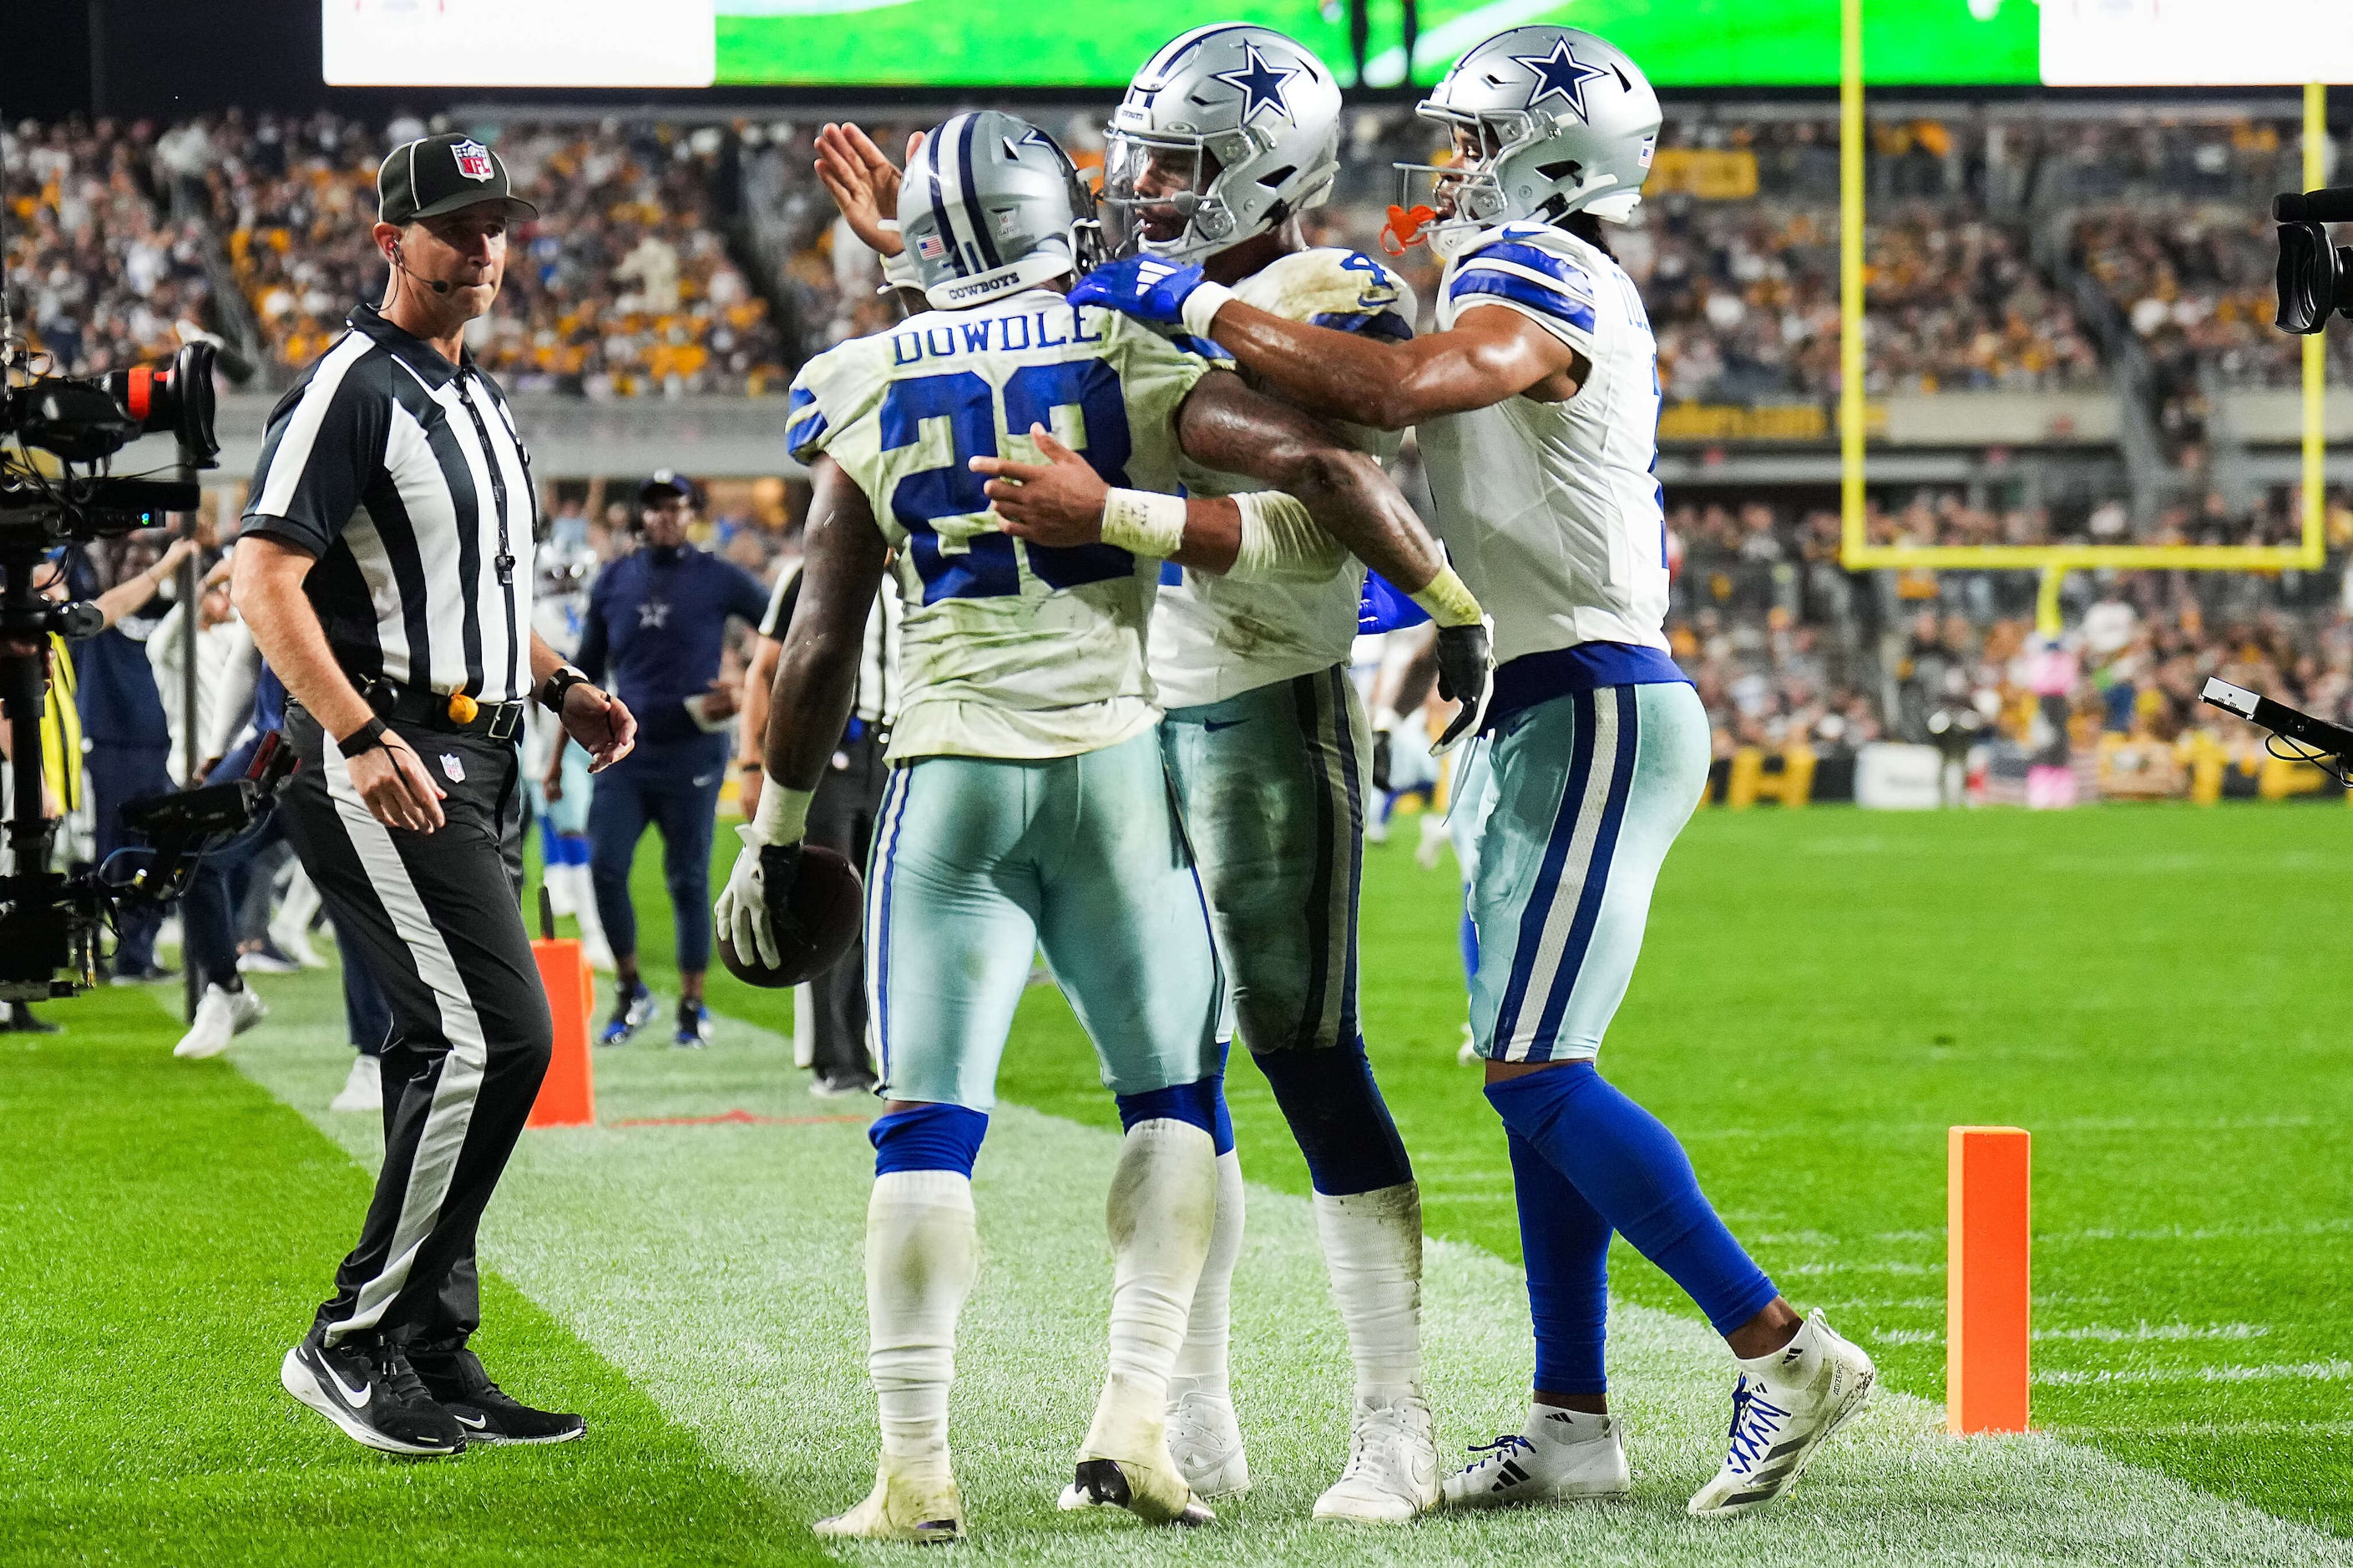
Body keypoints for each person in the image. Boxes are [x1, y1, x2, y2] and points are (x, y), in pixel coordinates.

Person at [1072, 25, 1875, 1519]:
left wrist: (1186, 298)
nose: (1439, 166)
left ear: (1542, 155)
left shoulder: (1545, 274)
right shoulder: (1498, 263)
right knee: (1524, 1077)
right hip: (1531, 693)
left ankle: (1784, 1349)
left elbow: (1398, 390)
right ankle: (1570, 1420)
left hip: (1593, 690)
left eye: (1464, 139)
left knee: (1535, 1072)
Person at [716, 112, 1483, 1543]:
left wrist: (773, 829)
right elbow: (1323, 475)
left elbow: (818, 641)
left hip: (950, 781)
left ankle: (916, 1471)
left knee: (926, 1126)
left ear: (924, 249)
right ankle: (1137, 1423)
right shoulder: (1122, 349)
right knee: (1174, 1102)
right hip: (1118, 770)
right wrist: (1446, 607)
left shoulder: (860, 378)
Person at [231, 133, 637, 1459]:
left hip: (480, 747)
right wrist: (354, 733)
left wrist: (564, 678)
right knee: (499, 1038)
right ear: (389, 240)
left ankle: (425, 1340)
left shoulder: (474, 392)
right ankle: (350, 1336)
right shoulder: (351, 386)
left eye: (497, 225)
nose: (481, 247)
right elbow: (263, 581)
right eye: (453, 226)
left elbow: (483, 600)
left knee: (436, 1049)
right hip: (390, 755)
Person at [563, 471, 769, 1048]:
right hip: (623, 750)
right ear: (641, 516)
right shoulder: (614, 580)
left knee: (687, 880)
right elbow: (584, 670)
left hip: (693, 750)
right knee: (605, 869)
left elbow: (780, 626)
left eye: (676, 508)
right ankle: (632, 991)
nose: (666, 518)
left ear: (692, 513)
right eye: (655, 509)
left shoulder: (717, 575)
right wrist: (557, 758)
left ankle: (692, 1006)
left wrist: (744, 681)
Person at [737, 557, 899, 1097]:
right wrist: (750, 763)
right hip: (831, 748)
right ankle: (831, 1057)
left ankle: (865, 1049)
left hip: (898, 746)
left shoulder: (923, 559)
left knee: (881, 909)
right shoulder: (814, 566)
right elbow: (764, 670)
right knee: (829, 899)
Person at [72, 533, 197, 984]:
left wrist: (185, 571)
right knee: (101, 855)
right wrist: (160, 564)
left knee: (155, 857)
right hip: (105, 747)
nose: (140, 565)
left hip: (160, 748)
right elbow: (89, 579)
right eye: (132, 558)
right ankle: (90, 957)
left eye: (149, 558)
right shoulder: (94, 610)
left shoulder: (176, 616)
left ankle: (137, 954)